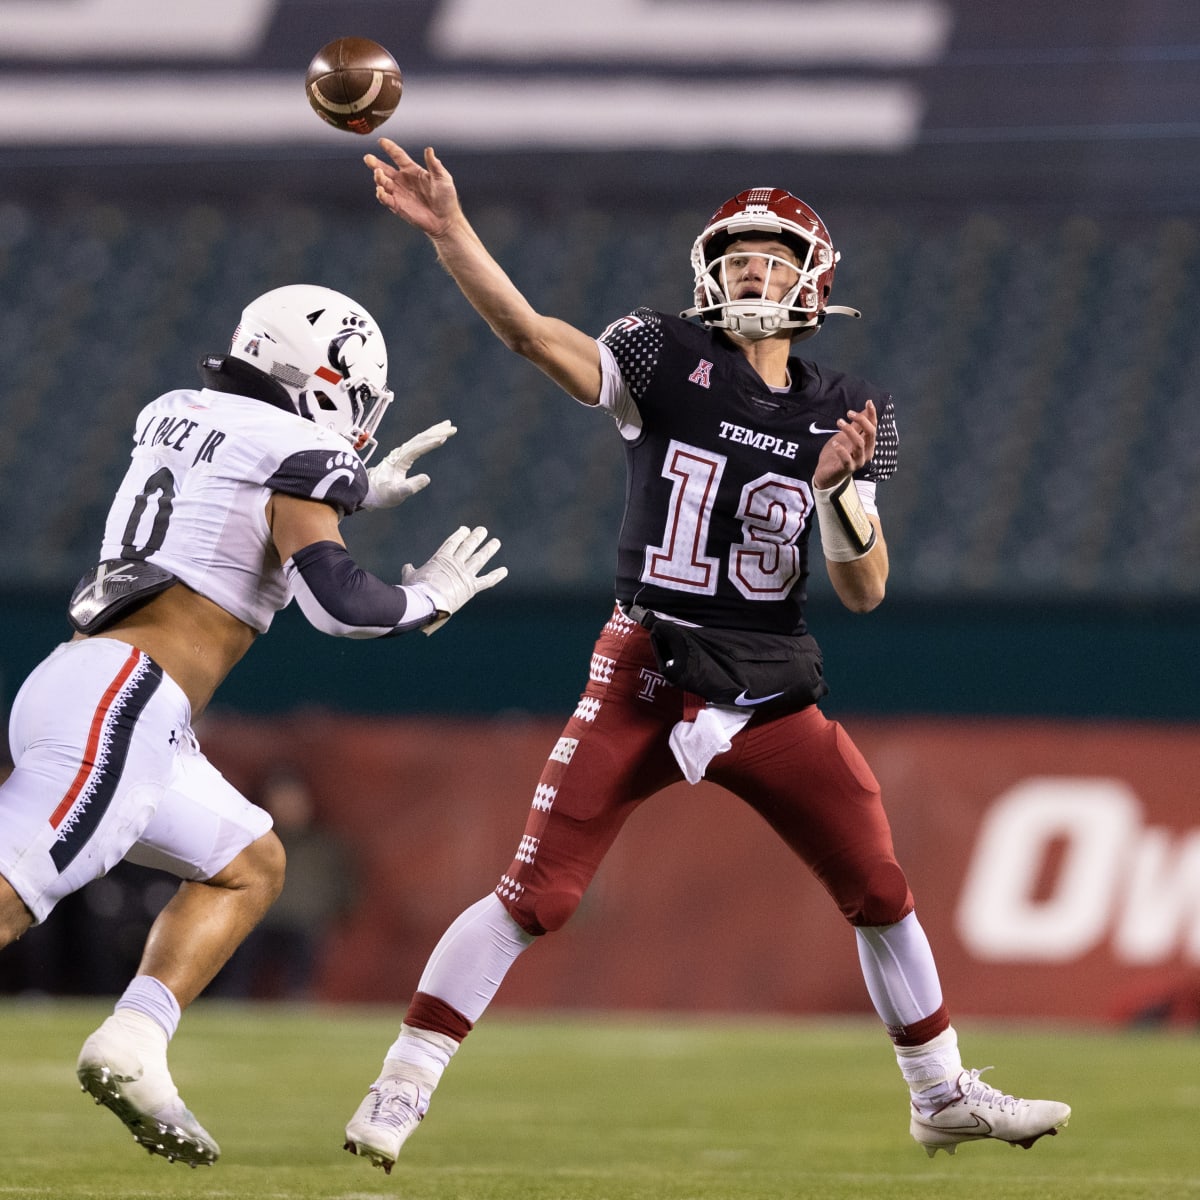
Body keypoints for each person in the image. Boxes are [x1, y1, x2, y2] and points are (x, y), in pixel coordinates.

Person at [341, 143, 1072, 1173]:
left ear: (813, 280)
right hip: (651, 661)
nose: (750, 272)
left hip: (770, 683)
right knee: (537, 894)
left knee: (880, 886)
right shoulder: (660, 355)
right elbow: (529, 335)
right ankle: (403, 1082)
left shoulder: (847, 408)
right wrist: (452, 231)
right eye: (736, 257)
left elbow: (865, 590)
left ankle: (941, 1093)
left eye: (773, 258)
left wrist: (832, 494)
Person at [0, 283, 506, 1167]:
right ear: (323, 377)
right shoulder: (298, 448)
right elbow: (341, 605)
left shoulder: (176, 410)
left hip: (99, 690)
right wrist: (434, 595)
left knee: (248, 862)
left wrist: (344, 490)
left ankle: (135, 1041)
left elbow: (231, 497)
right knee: (7, 898)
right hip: (125, 699)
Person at [211, 767, 357, 1000]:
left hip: (304, 925)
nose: (288, 807)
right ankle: (232, 998)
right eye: (281, 799)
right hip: (258, 920)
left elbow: (345, 888)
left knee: (305, 944)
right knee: (240, 940)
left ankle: (299, 997)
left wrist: (330, 914)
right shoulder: (253, 841)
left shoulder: (323, 845)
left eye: (294, 800)